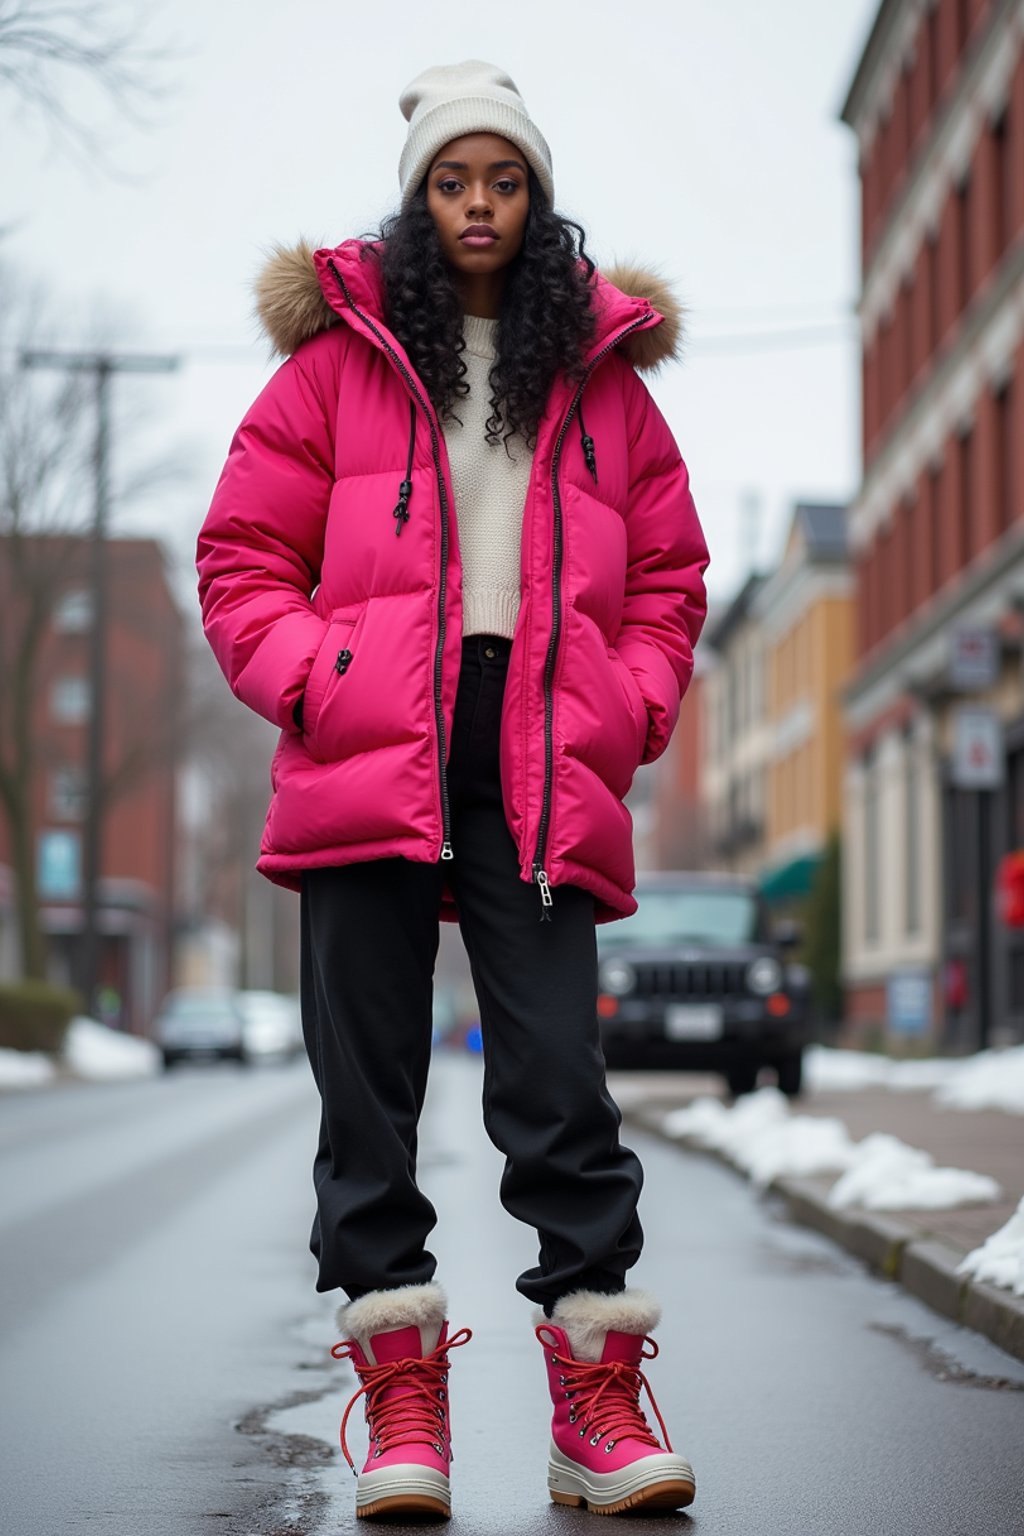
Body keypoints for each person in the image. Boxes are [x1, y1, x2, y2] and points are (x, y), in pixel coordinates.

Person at [197, 59, 709, 1522]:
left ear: (538, 201)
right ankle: (403, 1407)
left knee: (556, 1079)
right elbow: (241, 561)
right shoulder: (335, 365)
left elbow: (668, 578)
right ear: (418, 198)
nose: (478, 203)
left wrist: (633, 700)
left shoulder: (600, 380)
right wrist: (317, 678)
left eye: (504, 179)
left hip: (542, 748)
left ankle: (594, 1410)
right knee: (369, 1083)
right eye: (451, 179)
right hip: (370, 732)